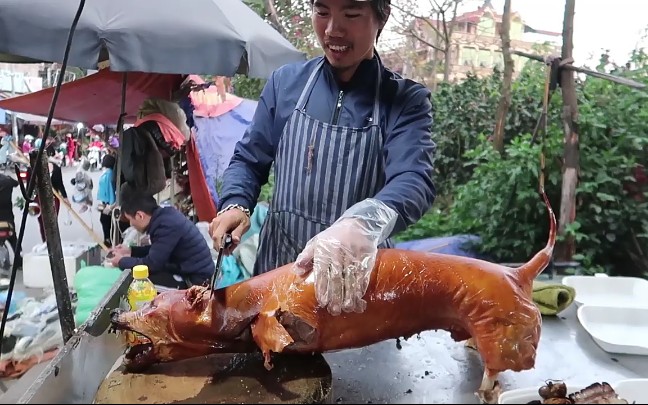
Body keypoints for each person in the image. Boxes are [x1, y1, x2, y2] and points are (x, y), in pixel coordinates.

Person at [210, 0, 436, 316]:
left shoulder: (404, 101)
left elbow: (414, 180)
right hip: (280, 274)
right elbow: (250, 159)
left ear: (381, 18)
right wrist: (235, 202)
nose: (332, 29)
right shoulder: (285, 83)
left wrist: (362, 223)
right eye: (322, 11)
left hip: (355, 286)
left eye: (352, 14)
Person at [109, 184, 216, 289]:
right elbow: (158, 251)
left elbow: (152, 264)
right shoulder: (165, 217)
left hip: (197, 281)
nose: (131, 224)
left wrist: (121, 261)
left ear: (140, 215)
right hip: (190, 271)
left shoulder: (166, 226)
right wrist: (130, 251)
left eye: (130, 220)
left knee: (137, 282)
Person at [0, 173, 21, 269]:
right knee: (13, 240)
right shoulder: (7, 180)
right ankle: (19, 261)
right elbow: (16, 183)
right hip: (8, 218)